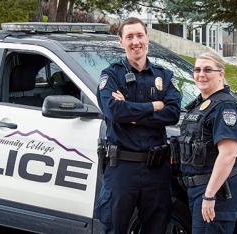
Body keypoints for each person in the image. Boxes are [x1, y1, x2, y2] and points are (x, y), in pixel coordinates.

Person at [95, 17, 182, 234]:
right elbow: (114, 111)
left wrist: (131, 113)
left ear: (147, 38)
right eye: (130, 37)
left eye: (139, 35)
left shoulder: (164, 75)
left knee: (157, 228)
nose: (136, 42)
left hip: (157, 169)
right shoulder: (111, 75)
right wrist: (154, 105)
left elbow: (172, 113)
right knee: (115, 228)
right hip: (122, 167)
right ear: (121, 41)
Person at [173, 52, 237, 234]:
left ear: (221, 74)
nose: (201, 74)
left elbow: (228, 155)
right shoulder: (202, 104)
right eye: (197, 70)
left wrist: (210, 194)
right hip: (199, 188)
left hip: (217, 190)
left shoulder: (225, 107)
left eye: (208, 70)